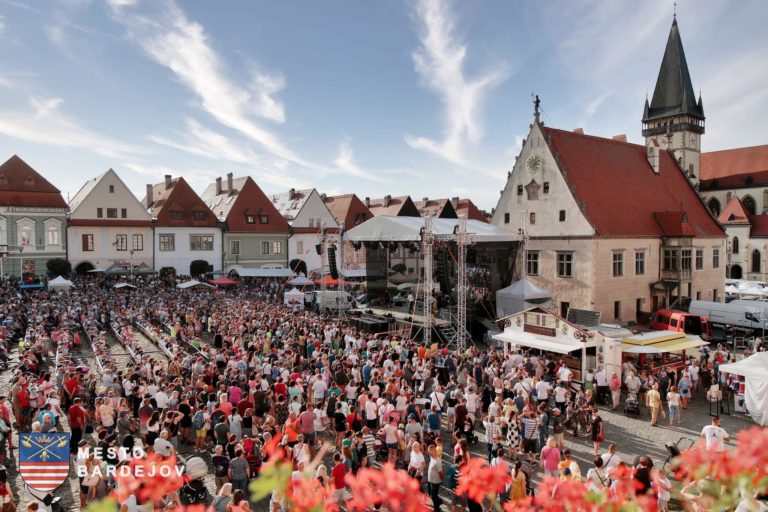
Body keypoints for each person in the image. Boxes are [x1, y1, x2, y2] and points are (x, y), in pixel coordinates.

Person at [426, 444, 443, 511]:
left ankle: (437, 509)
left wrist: (441, 479)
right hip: (430, 480)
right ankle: (439, 501)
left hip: (435, 482)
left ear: (433, 451)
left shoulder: (438, 461)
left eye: (429, 451)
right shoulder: (432, 457)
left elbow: (441, 472)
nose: (428, 452)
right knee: (431, 494)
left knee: (433, 496)